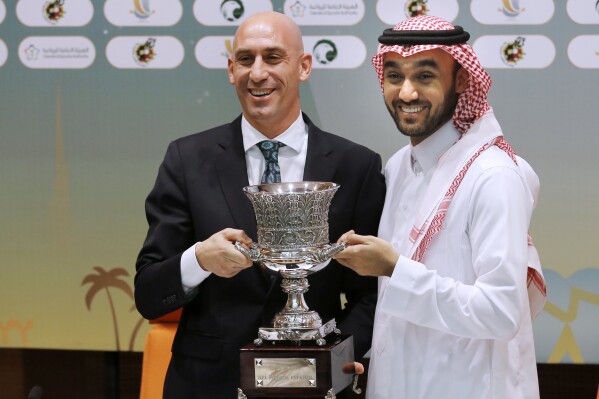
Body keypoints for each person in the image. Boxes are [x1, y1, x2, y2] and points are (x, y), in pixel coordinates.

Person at [134, 11, 385, 399]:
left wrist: (337, 353)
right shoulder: (187, 159)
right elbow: (149, 293)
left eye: (273, 57)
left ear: (303, 67)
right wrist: (199, 260)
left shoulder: (356, 166)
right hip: (209, 385)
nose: (258, 73)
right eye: (246, 59)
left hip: (315, 387)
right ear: (231, 70)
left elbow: (369, 294)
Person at [334, 15, 547, 399]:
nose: (407, 93)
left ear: (462, 80)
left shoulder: (492, 176)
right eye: (395, 76)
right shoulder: (399, 165)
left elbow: (501, 312)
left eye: (425, 76)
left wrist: (394, 269)